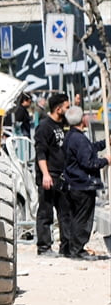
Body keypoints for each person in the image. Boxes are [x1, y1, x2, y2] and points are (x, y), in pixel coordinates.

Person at [61, 108, 108, 260]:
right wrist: (106, 160)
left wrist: (105, 143)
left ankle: (73, 248)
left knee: (75, 217)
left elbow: (89, 149)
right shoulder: (79, 139)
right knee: (83, 219)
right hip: (83, 185)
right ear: (82, 120)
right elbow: (89, 162)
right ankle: (77, 250)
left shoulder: (71, 137)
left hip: (74, 184)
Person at [34, 93, 70, 257]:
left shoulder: (65, 124)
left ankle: (66, 247)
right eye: (67, 107)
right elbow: (40, 153)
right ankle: (44, 247)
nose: (69, 110)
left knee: (65, 213)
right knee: (45, 214)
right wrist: (46, 175)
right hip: (48, 177)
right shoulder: (44, 127)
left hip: (63, 176)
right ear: (58, 108)